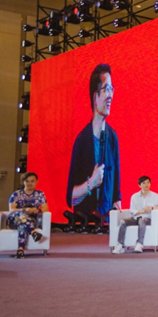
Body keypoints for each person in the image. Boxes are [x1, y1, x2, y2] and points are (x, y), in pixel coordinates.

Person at [66, 63, 121, 222]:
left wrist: (118, 217)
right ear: (95, 96)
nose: (110, 95)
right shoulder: (82, 140)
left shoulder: (112, 137)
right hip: (84, 222)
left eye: (111, 89)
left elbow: (116, 192)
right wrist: (90, 184)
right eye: (105, 89)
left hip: (106, 223)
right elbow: (70, 197)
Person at [112, 176, 158, 254]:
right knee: (123, 221)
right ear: (139, 185)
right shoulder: (134, 196)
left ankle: (139, 244)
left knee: (142, 220)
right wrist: (140, 212)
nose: (146, 185)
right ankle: (120, 245)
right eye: (144, 183)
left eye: (148, 183)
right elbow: (132, 210)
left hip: (148, 219)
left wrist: (152, 208)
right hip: (136, 217)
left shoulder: (155, 196)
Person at [7, 172, 49, 258]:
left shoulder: (40, 194)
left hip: (31, 221)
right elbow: (11, 210)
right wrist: (24, 210)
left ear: (37, 182)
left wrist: (35, 210)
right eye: (27, 181)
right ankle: (33, 233)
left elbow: (45, 209)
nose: (30, 183)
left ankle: (20, 250)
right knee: (22, 214)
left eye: (32, 181)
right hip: (15, 220)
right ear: (24, 182)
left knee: (22, 224)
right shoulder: (16, 194)